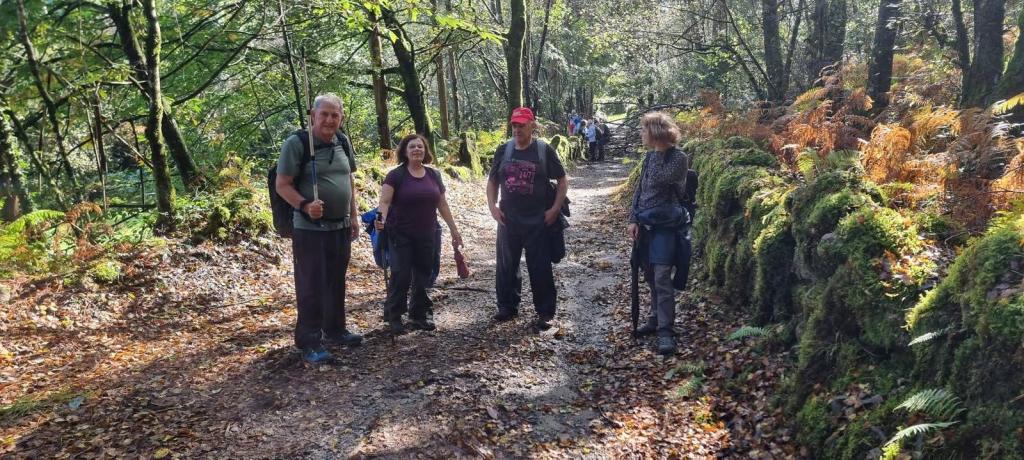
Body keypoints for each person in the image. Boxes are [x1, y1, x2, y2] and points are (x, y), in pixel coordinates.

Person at [275, 93, 363, 364]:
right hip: (310, 229)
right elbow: (282, 185)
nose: (329, 120)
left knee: (336, 280)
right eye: (324, 114)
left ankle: (335, 329)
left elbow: (348, 180)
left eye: (335, 115)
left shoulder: (343, 141)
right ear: (313, 115)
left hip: (340, 226)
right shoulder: (297, 144)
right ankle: (309, 341)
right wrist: (304, 205)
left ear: (341, 118)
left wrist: (354, 215)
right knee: (311, 284)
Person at [487, 107, 569, 330]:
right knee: (506, 265)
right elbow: (493, 181)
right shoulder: (503, 150)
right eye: (514, 125)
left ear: (532, 125)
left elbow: (562, 180)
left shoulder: (544, 150)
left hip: (538, 220)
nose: (517, 129)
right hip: (508, 219)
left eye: (521, 125)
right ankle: (507, 306)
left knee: (540, 266)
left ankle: (545, 312)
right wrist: (492, 207)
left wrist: (555, 209)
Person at [375, 134, 463, 334]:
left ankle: (419, 314)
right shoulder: (395, 175)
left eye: (420, 147)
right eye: (412, 147)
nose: (417, 150)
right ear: (405, 151)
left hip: (427, 233)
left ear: (426, 150)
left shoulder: (433, 175)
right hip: (400, 233)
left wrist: (453, 228)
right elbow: (385, 202)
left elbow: (442, 204)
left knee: (424, 274)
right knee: (401, 275)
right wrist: (380, 219)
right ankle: (394, 316)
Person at [627, 112, 690, 355]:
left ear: (655, 132)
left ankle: (666, 331)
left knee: (662, 276)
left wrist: (658, 150)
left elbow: (662, 178)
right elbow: (640, 191)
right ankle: (654, 318)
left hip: (666, 226)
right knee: (650, 275)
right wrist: (633, 219)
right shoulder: (649, 158)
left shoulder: (678, 158)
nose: (641, 134)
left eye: (645, 130)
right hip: (646, 225)